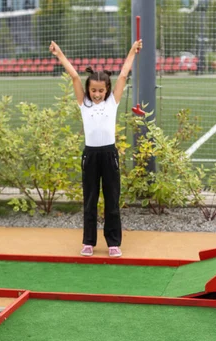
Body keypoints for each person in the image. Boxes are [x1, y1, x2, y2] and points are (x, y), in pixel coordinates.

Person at [49, 39, 142, 258]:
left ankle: (113, 242)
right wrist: (59, 54)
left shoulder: (112, 103)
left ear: (107, 90)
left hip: (109, 155)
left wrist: (132, 52)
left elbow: (122, 75)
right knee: (90, 200)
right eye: (93, 90)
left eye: (101, 90)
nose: (97, 94)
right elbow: (73, 76)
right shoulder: (84, 103)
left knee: (112, 199)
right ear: (88, 90)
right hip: (90, 156)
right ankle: (88, 242)